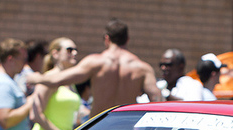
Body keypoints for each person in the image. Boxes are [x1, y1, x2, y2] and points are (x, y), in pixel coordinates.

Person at [26, 18, 162, 118]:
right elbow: (157, 100)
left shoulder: (95, 62)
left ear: (107, 39)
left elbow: (58, 80)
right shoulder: (142, 68)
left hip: (99, 128)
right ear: (127, 39)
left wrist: (36, 78)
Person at [26, 37, 82, 130]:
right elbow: (35, 114)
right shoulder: (49, 78)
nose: (74, 53)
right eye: (69, 50)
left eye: (75, 50)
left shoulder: (69, 81)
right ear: (55, 54)